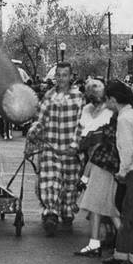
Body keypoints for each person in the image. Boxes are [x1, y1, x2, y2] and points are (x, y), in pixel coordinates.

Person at [26, 62, 84, 236]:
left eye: (65, 75)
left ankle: (66, 211)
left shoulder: (78, 97)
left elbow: (82, 124)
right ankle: (51, 212)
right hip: (50, 146)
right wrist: (32, 133)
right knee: (49, 179)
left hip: (70, 149)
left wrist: (75, 145)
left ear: (71, 77)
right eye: (58, 75)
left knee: (69, 184)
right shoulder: (49, 96)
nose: (61, 78)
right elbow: (41, 121)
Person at [71, 78, 121, 257]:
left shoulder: (114, 114)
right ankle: (99, 241)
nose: (94, 91)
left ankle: (124, 245)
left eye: (98, 87)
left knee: (106, 204)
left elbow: (104, 143)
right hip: (92, 159)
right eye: (91, 88)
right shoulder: (87, 110)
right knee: (97, 203)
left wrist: (86, 173)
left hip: (103, 162)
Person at [103, 81, 133, 264]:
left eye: (107, 100)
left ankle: (132, 257)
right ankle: (124, 253)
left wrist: (122, 172)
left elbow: (126, 149)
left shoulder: (123, 119)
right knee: (129, 212)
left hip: (132, 170)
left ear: (113, 100)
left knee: (130, 214)